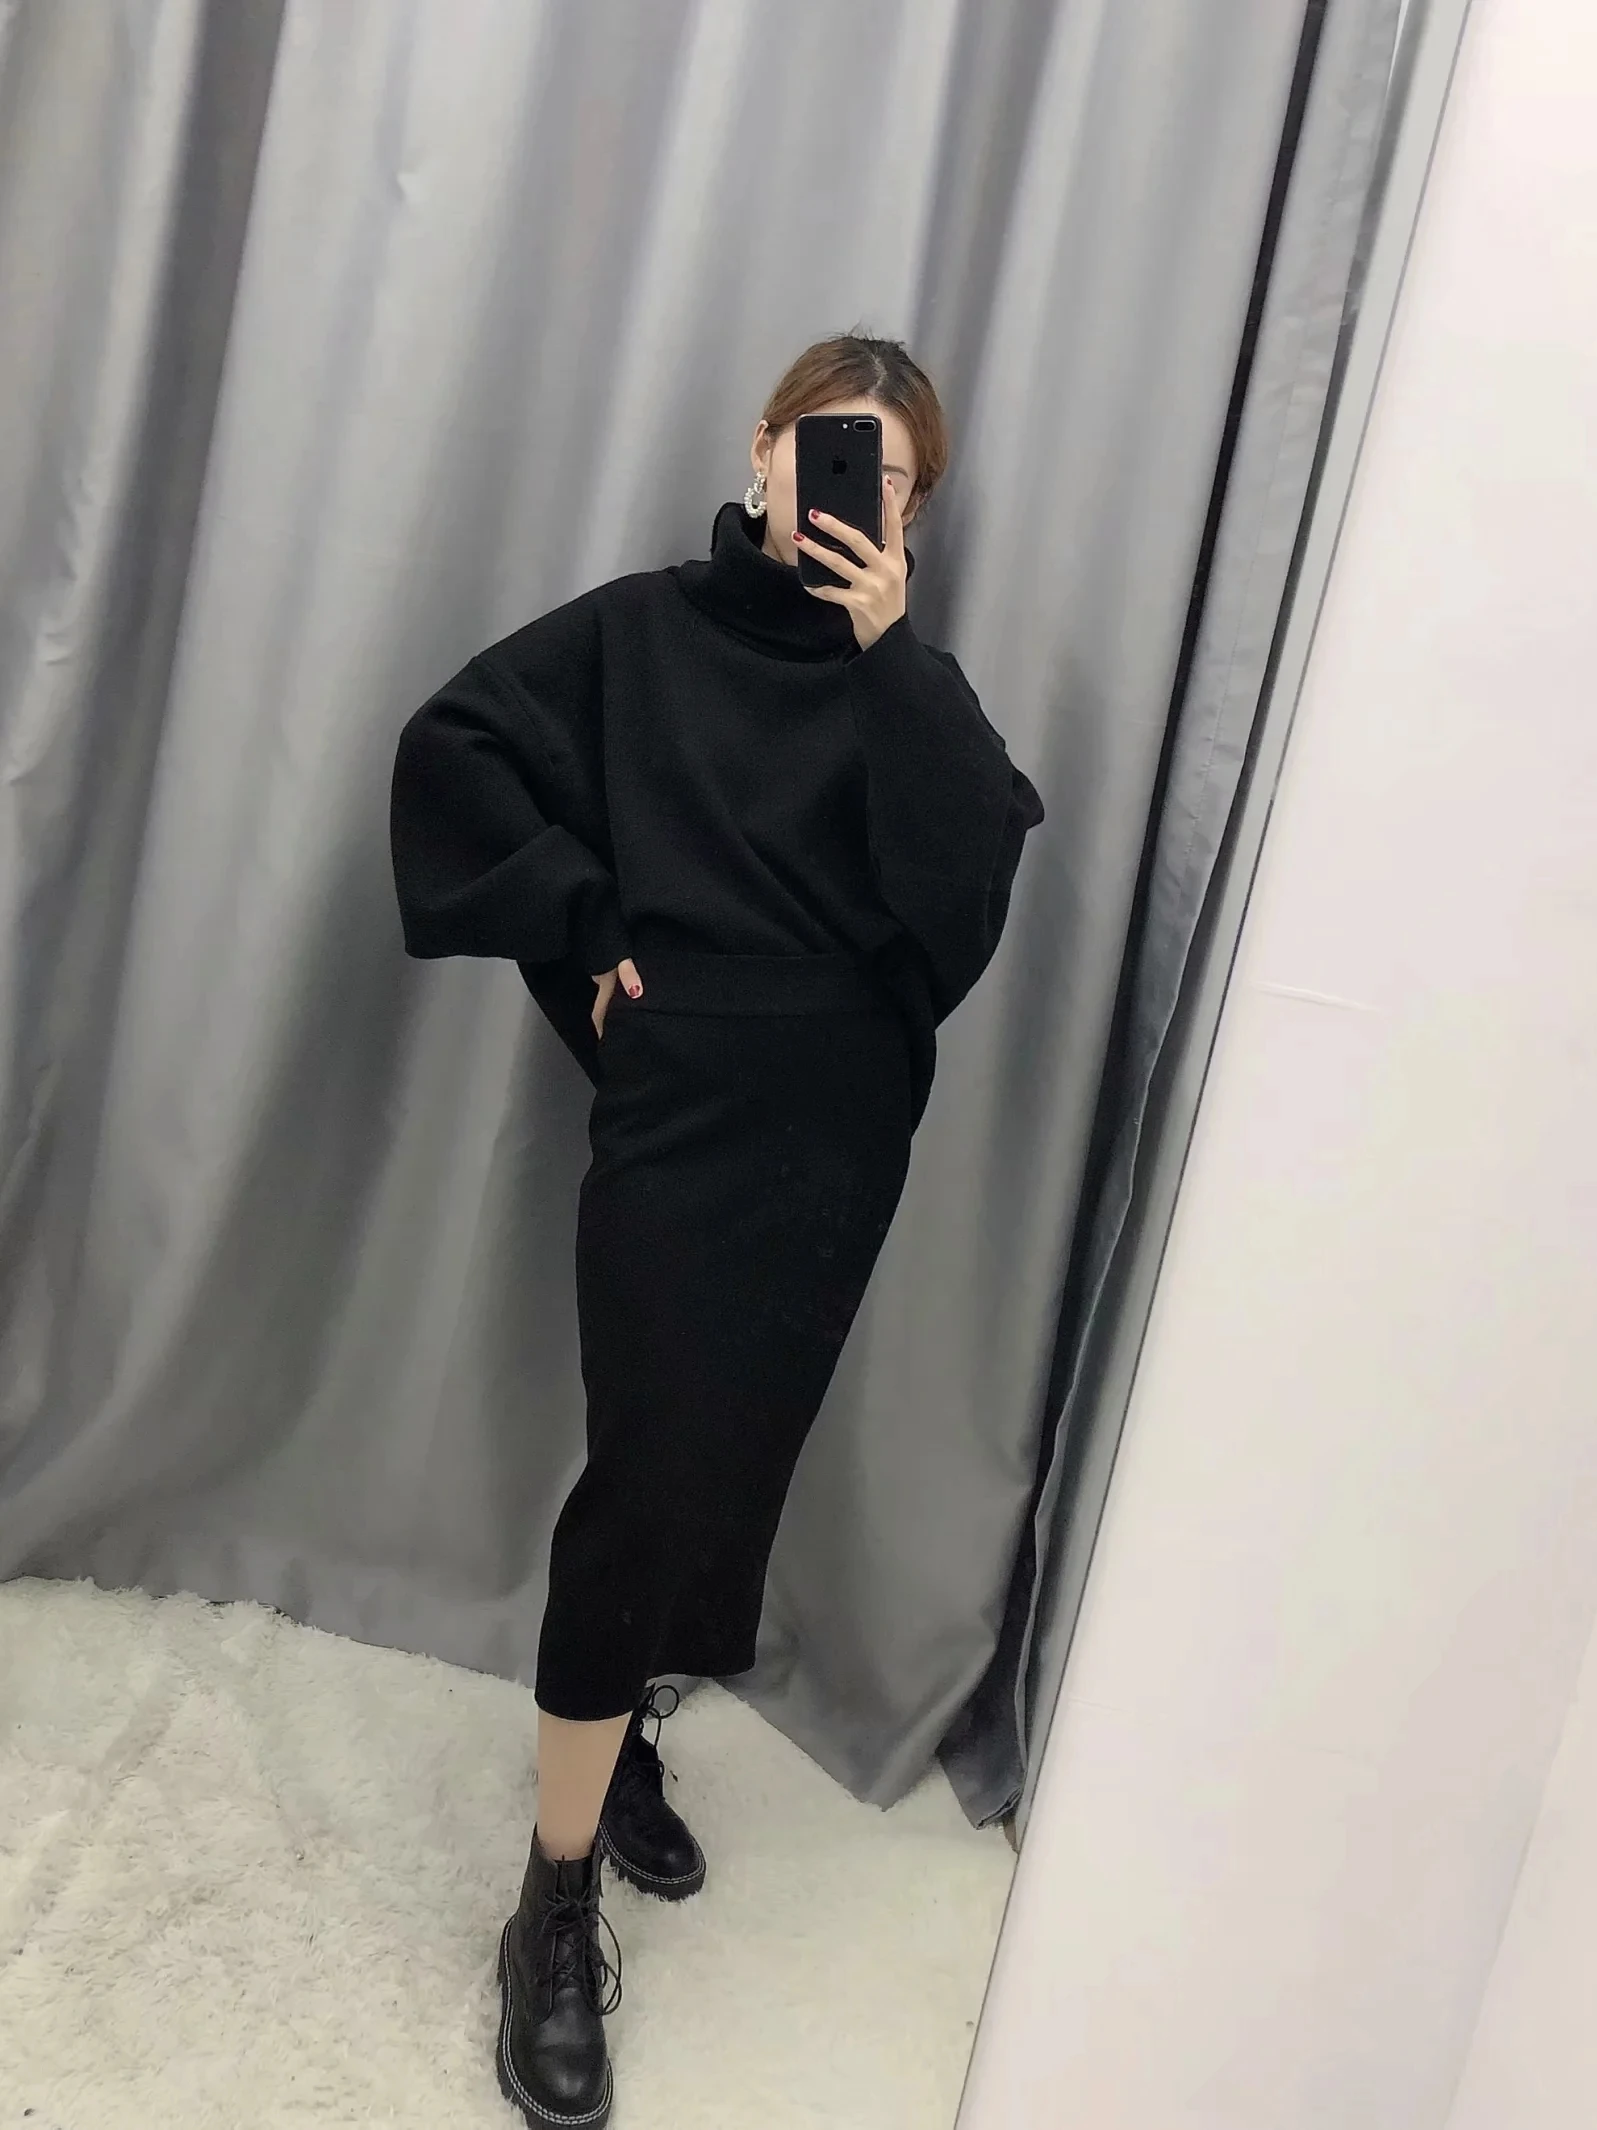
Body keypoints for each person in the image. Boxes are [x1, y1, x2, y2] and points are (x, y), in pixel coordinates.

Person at [389, 333, 1044, 2129]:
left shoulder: (908, 685)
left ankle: (625, 1746)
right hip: (683, 1119)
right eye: (830, 450)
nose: (852, 492)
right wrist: (585, 924)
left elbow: (961, 904)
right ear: (763, 447)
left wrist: (888, 658)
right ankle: (551, 1898)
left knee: (728, 1478)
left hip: (838, 1138)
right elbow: (455, 749)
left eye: (890, 478)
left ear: (912, 516)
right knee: (645, 1481)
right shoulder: (641, 634)